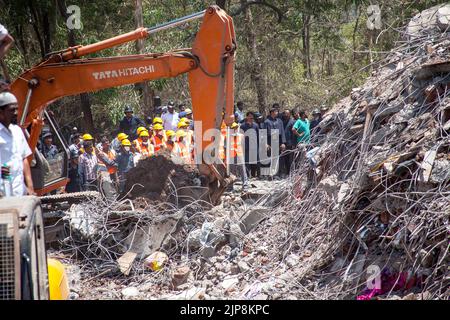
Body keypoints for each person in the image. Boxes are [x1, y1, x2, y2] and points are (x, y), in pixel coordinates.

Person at [0, 91, 34, 196]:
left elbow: (24, 158)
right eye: (11, 110)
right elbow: (4, 166)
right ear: (1, 112)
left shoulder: (17, 131)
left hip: (20, 192)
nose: (15, 113)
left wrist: (30, 187)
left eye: (16, 109)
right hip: (3, 195)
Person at [264, 108, 286, 177]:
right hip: (270, 140)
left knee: (277, 157)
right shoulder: (266, 121)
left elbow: (282, 132)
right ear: (272, 112)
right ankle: (269, 173)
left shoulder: (279, 121)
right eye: (276, 111)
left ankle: (275, 173)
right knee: (269, 157)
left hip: (278, 140)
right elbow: (264, 133)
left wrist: (283, 142)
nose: (277, 112)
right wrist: (265, 143)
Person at [228, 122, 248, 189]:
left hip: (239, 154)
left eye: (236, 128)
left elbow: (243, 145)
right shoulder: (227, 137)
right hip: (231, 155)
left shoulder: (241, 136)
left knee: (242, 169)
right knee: (231, 171)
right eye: (233, 128)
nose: (235, 129)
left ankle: (245, 185)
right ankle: (230, 186)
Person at [240, 111, 260, 178]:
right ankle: (247, 176)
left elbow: (258, 135)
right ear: (247, 117)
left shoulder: (256, 125)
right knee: (247, 161)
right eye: (250, 116)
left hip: (254, 146)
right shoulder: (242, 126)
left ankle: (253, 175)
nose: (251, 118)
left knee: (254, 161)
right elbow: (240, 136)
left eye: (252, 117)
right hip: (246, 146)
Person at [281, 109, 296, 176]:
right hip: (284, 143)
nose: (286, 115)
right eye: (285, 113)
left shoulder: (293, 122)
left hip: (291, 143)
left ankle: (291, 172)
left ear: (290, 114)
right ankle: (287, 172)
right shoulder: (282, 122)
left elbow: (294, 133)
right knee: (285, 158)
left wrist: (293, 143)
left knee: (291, 158)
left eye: (287, 113)